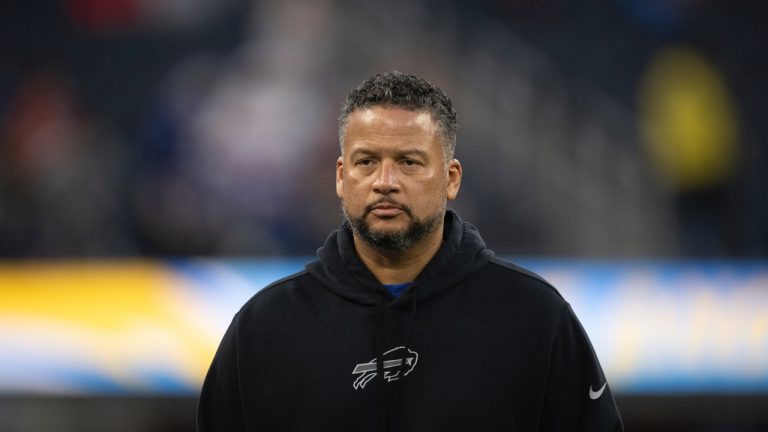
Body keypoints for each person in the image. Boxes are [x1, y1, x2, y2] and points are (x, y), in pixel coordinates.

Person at [196, 71, 624, 431]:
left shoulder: (535, 317)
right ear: (342, 177)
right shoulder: (265, 327)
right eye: (367, 162)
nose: (385, 181)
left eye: (409, 162)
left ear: (452, 178)